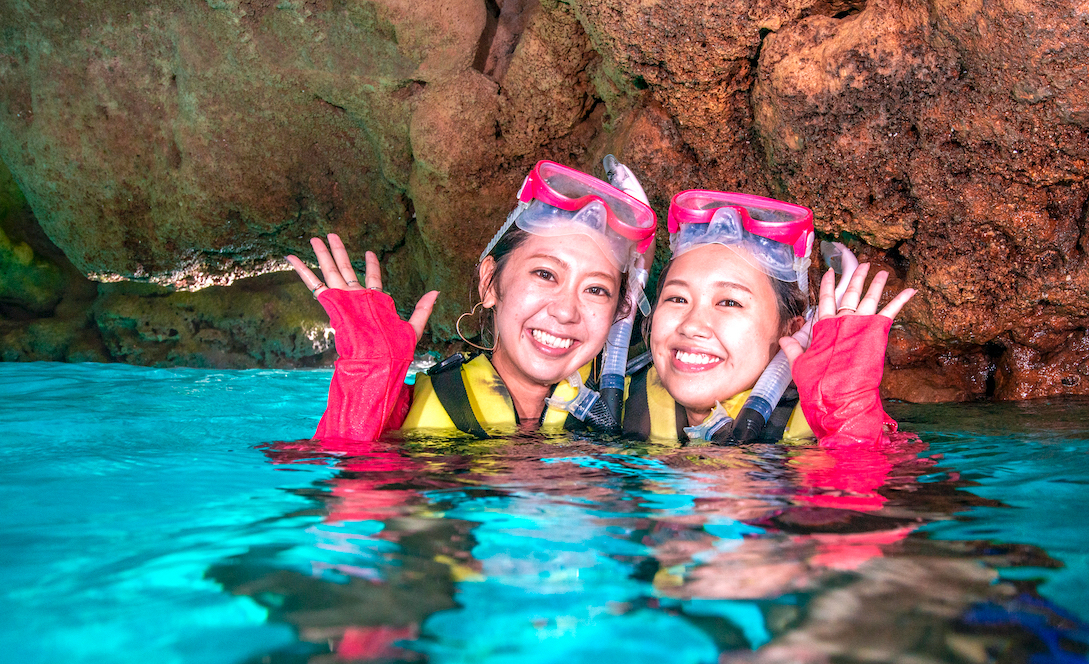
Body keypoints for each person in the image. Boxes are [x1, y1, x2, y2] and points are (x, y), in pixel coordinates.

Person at [286, 160, 656, 441]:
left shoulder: (637, 410)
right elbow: (345, 512)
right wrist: (369, 372)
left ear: (618, 312)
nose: (565, 310)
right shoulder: (403, 411)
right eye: (545, 274)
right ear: (490, 283)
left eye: (596, 289)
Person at [623, 189, 916, 448]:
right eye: (677, 299)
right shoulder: (616, 405)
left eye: (729, 302)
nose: (692, 325)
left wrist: (849, 418)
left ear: (790, 331)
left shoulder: (817, 430)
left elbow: (867, 497)